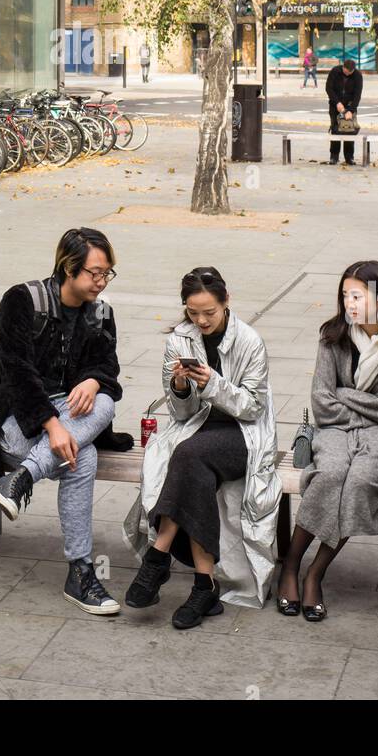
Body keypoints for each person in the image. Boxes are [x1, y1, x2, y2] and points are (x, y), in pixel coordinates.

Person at [0, 228, 131, 616]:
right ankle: (80, 573)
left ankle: (21, 480)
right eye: (94, 273)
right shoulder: (21, 300)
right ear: (69, 268)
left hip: (67, 416)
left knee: (104, 404)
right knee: (80, 457)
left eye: (107, 274)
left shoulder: (101, 314)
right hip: (9, 416)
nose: (101, 282)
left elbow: (109, 368)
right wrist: (52, 425)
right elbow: (16, 372)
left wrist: (92, 378)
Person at [124, 267, 282, 628]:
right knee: (190, 461)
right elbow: (182, 414)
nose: (201, 320)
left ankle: (158, 556)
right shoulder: (180, 340)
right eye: (193, 312)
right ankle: (203, 584)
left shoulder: (249, 340)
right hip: (197, 430)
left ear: (226, 302)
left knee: (188, 455)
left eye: (209, 312)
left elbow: (253, 408)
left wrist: (213, 384)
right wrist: (180, 388)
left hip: (244, 434)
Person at [276, 260, 378, 622]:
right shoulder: (333, 336)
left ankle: (316, 573)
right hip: (336, 430)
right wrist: (364, 410)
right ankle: (291, 567)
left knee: (358, 482)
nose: (349, 304)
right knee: (330, 474)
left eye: (357, 296)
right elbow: (322, 402)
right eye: (345, 295)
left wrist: (348, 397)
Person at [326, 56, 362, 165]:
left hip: (350, 106)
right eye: (346, 72)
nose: (347, 74)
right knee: (335, 130)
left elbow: (357, 94)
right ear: (343, 67)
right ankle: (334, 156)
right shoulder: (335, 71)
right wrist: (337, 103)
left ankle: (349, 157)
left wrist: (351, 110)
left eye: (350, 73)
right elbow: (329, 88)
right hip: (335, 105)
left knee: (349, 130)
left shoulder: (357, 76)